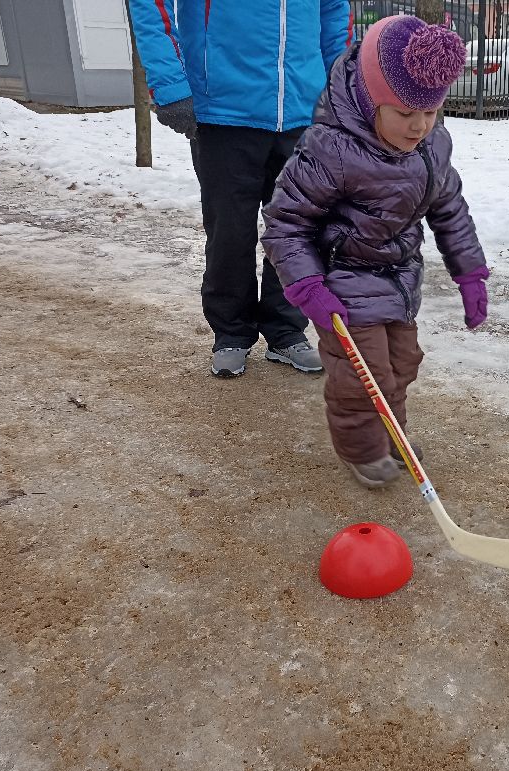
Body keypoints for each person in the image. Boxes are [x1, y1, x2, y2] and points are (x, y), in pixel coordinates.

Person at [261, 15, 489, 488]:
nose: (419, 125)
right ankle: (363, 451)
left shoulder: (433, 147)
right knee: (365, 376)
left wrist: (469, 273)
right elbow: (286, 222)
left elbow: (450, 210)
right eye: (404, 112)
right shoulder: (332, 150)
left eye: (430, 112)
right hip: (342, 283)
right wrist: (307, 287)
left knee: (403, 364)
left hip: (399, 281)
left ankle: (392, 436)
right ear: (370, 100)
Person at [126, 0, 351, 377]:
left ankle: (286, 331)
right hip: (225, 109)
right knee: (230, 232)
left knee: (298, 234)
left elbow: (333, 14)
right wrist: (169, 82)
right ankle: (231, 332)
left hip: (303, 110)